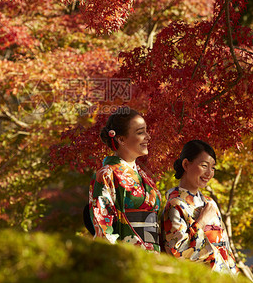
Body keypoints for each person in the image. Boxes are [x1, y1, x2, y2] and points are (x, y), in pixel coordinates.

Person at [160, 140, 239, 274]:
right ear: (186, 164)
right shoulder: (175, 205)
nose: (209, 172)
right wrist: (201, 222)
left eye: (212, 167)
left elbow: (225, 247)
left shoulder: (209, 203)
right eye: (204, 165)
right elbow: (178, 252)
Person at [88, 108, 162, 252]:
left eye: (146, 131)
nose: (148, 137)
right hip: (128, 254)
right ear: (121, 139)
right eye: (140, 132)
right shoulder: (106, 174)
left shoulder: (144, 176)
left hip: (154, 254)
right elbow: (103, 226)